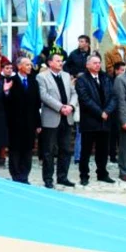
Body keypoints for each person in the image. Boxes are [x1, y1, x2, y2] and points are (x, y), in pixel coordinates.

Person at [37, 54, 78, 189]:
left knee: (65, 149)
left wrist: (71, 106)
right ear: (50, 63)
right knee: (49, 151)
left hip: (67, 117)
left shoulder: (66, 75)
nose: (61, 63)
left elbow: (74, 92)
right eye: (58, 61)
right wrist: (60, 107)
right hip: (51, 118)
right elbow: (44, 96)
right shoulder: (42, 77)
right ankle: (48, 179)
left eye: (61, 61)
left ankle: (62, 177)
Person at [75, 55, 117, 186]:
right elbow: (85, 99)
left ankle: (102, 173)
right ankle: (84, 175)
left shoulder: (106, 78)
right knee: (86, 150)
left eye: (99, 63)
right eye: (94, 63)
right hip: (90, 121)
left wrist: (107, 111)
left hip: (105, 121)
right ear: (88, 65)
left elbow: (113, 97)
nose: (98, 65)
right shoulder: (82, 80)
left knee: (103, 150)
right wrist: (100, 112)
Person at [4, 57, 41, 183]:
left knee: (27, 151)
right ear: (19, 66)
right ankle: (16, 175)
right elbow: (6, 103)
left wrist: (38, 123)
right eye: (27, 65)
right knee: (15, 151)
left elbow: (37, 104)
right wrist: (6, 92)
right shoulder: (11, 81)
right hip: (15, 124)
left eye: (30, 65)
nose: (30, 67)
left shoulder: (33, 82)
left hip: (29, 124)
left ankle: (25, 175)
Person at [108, 62, 126, 163]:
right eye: (122, 70)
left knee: (123, 135)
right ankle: (112, 155)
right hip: (113, 112)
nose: (124, 72)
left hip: (123, 111)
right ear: (116, 71)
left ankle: (123, 155)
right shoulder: (111, 81)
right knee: (113, 135)